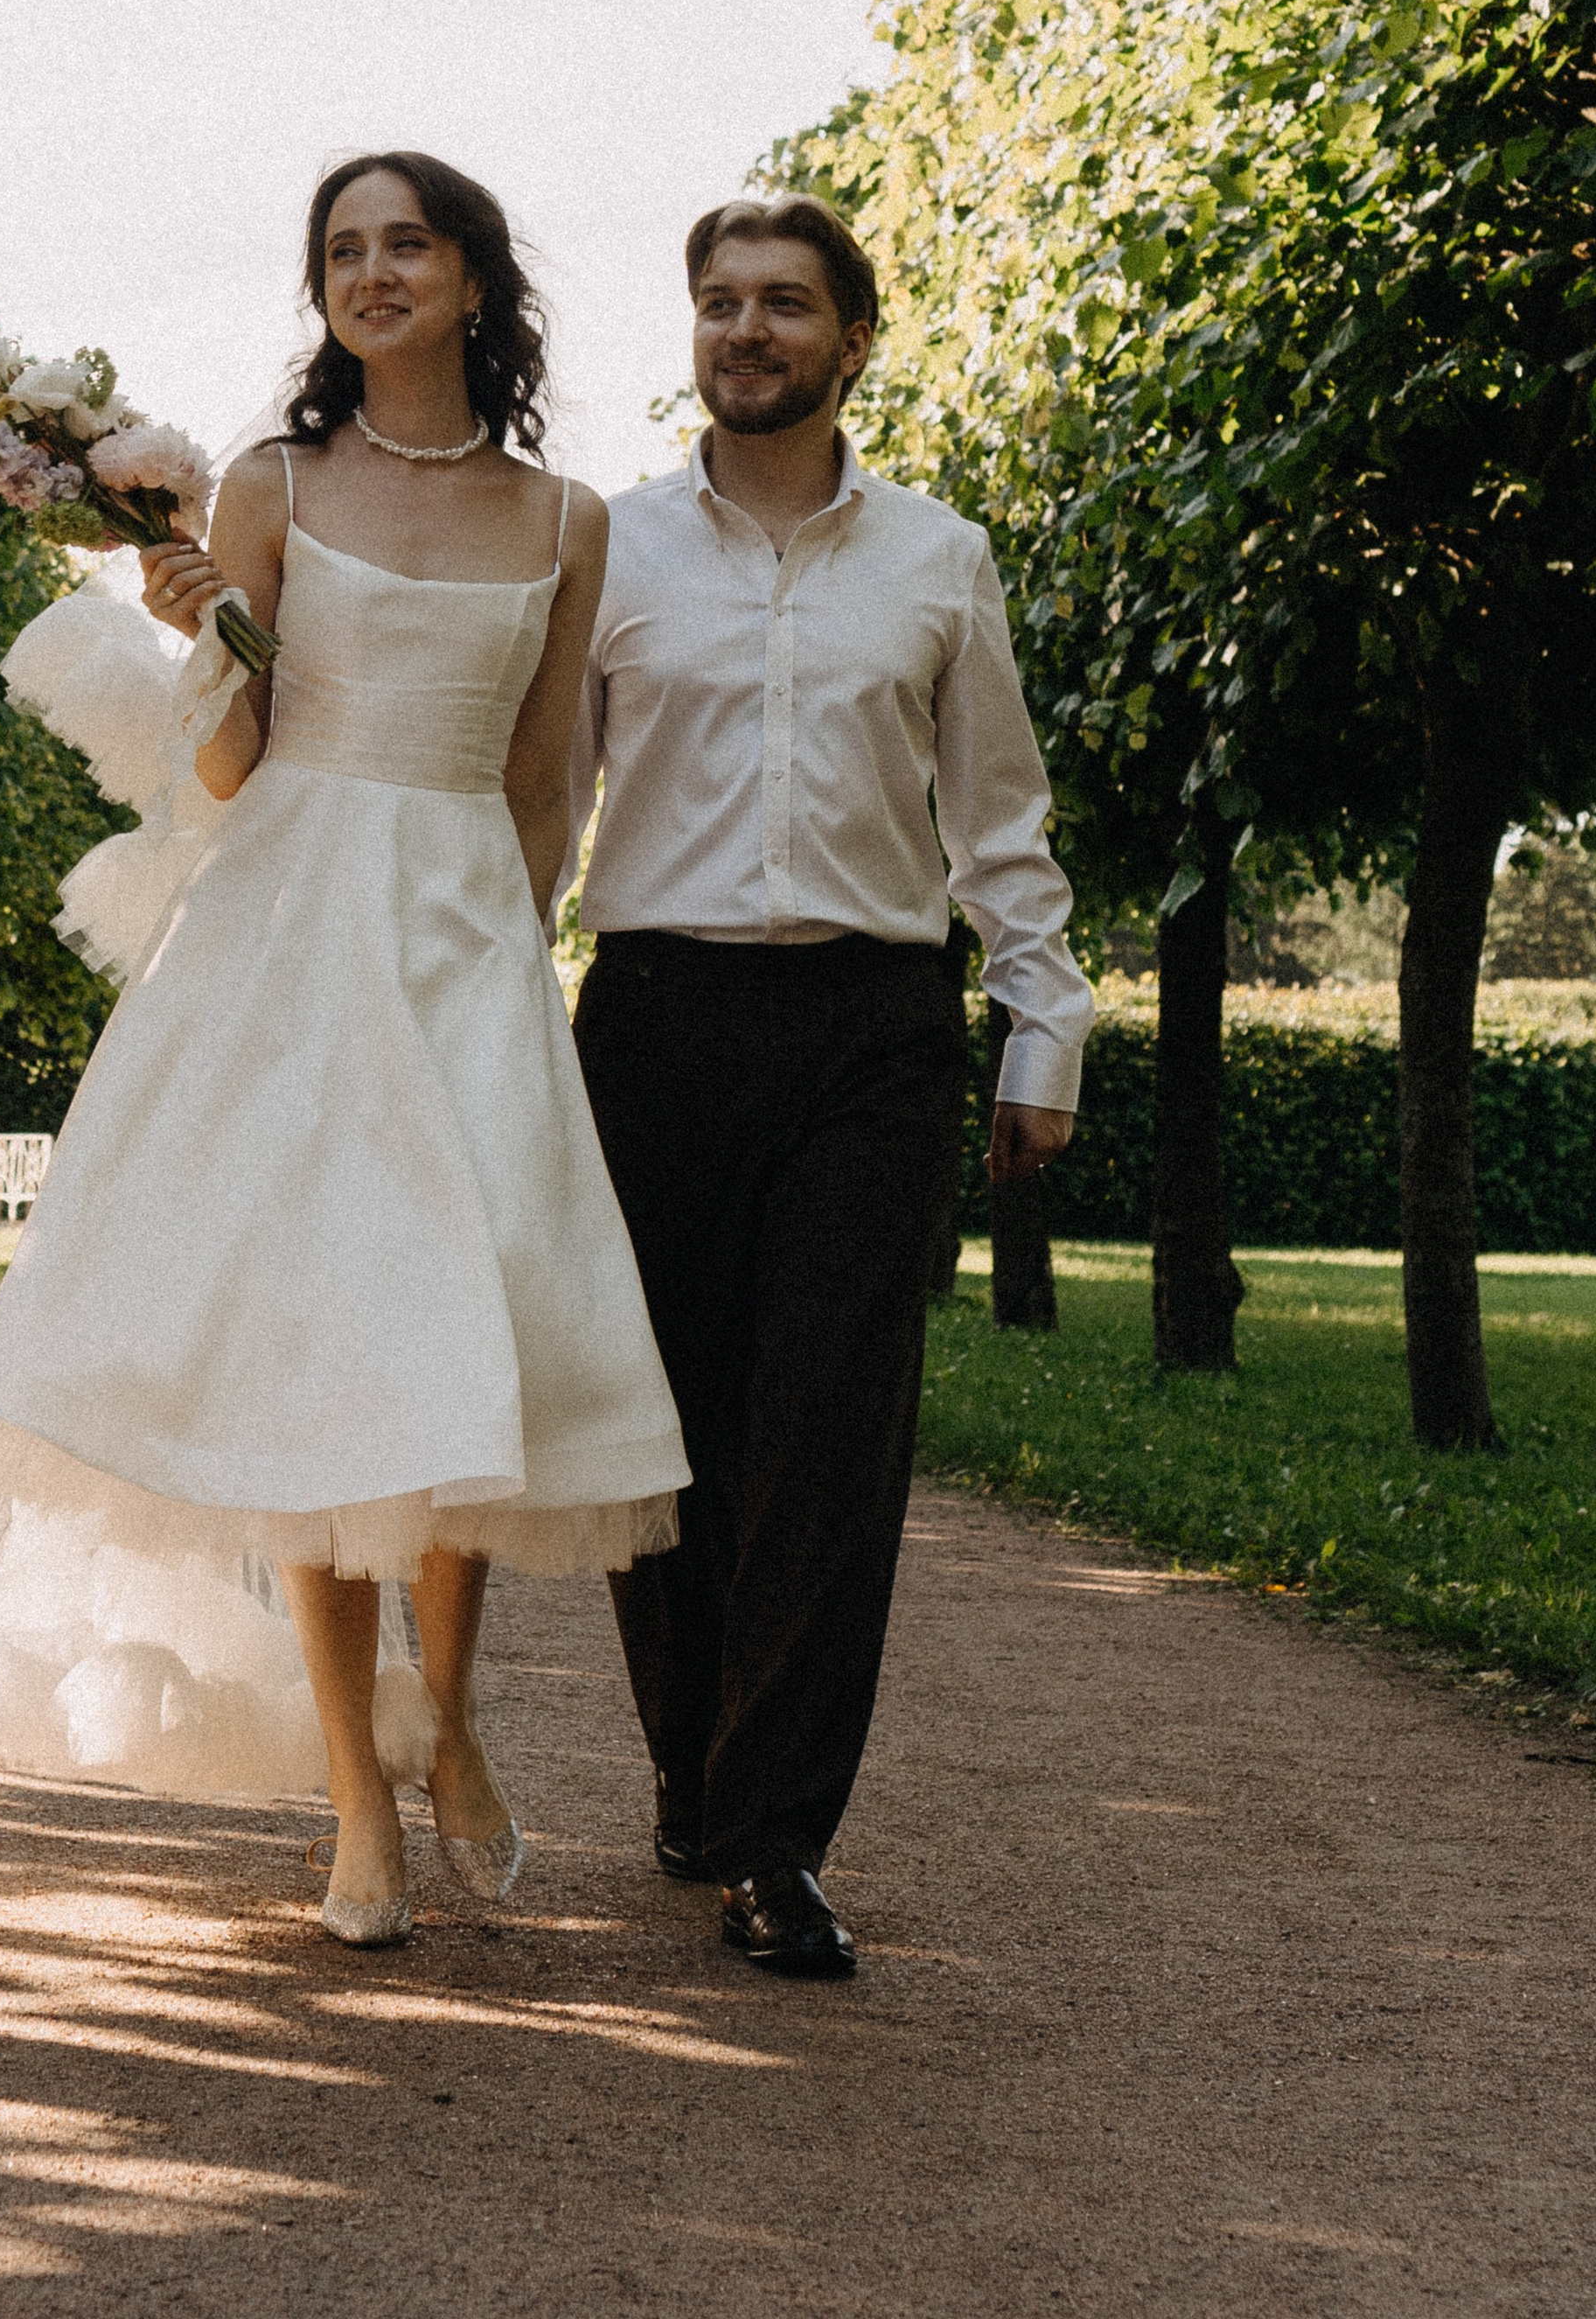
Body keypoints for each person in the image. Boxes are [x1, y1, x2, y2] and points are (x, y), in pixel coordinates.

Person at [0, 153, 687, 1947]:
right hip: (290, 936)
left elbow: (547, 775)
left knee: (466, 1349)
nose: (372, 273)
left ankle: (445, 1719)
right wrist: (195, 639)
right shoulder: (267, 482)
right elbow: (222, 771)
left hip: (462, 943)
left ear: (471, 279)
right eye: (342, 252)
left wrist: (515, 955)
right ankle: (352, 1795)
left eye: (406, 244)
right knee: (312, 1360)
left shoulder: (566, 519)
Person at [569, 192, 1094, 1978]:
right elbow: (533, 811)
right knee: (664, 1440)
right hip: (647, 1022)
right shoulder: (608, 551)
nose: (745, 330)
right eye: (716, 301)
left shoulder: (936, 560)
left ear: (850, 338)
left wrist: (1043, 1032)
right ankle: (691, 1764)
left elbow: (998, 822)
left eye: (784, 303)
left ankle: (770, 1839)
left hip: (870, 1030)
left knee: (827, 1427)